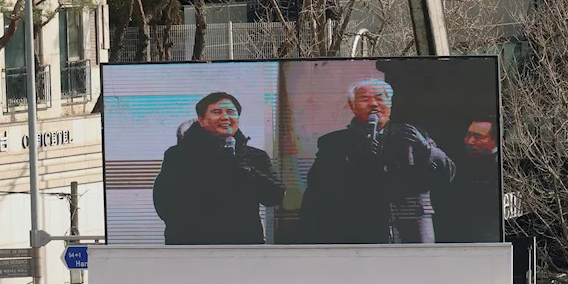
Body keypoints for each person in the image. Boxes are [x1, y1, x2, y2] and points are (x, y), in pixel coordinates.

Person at [298, 78, 455, 244]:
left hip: (412, 228)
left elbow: (448, 174)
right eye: (365, 99)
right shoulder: (334, 142)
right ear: (352, 106)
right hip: (359, 229)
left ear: (390, 104)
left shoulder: (413, 134)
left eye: (380, 98)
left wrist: (426, 148)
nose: (373, 104)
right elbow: (317, 185)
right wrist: (350, 159)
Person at [152, 92, 285, 245]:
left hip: (244, 246)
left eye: (231, 112)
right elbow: (165, 204)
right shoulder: (179, 155)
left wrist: (242, 167)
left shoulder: (255, 156)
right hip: (192, 246)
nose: (225, 117)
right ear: (201, 120)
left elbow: (275, 196)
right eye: (216, 112)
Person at [434, 118, 502, 243]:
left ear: (495, 141)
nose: (470, 141)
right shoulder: (454, 162)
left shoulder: (501, 169)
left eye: (478, 137)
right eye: (468, 135)